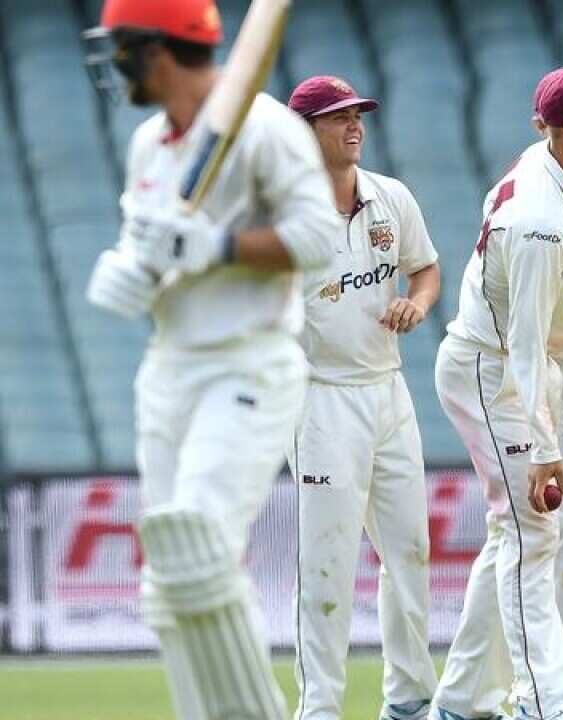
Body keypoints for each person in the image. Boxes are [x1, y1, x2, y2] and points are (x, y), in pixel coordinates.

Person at [82, 1, 339, 719]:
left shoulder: (266, 130)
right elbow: (153, 238)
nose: (116, 66)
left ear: (154, 50)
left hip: (247, 362)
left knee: (200, 544)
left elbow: (318, 238)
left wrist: (220, 247)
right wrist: (132, 269)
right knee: (169, 573)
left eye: (122, 49)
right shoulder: (149, 143)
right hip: (169, 365)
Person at [433, 67, 563, 720]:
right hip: (493, 371)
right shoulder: (539, 221)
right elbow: (521, 347)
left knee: (512, 535)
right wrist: (544, 448)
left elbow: (560, 289)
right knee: (533, 534)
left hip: (510, 363)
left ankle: (460, 701)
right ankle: (543, 703)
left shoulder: (554, 169)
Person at [286, 75, 443, 720]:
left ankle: (408, 698)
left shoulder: (390, 196)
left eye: (357, 115)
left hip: (388, 388)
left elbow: (425, 269)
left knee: (410, 552)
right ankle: (320, 708)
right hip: (321, 399)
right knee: (327, 560)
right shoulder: (285, 217)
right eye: (337, 117)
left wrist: (418, 303)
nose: (354, 126)